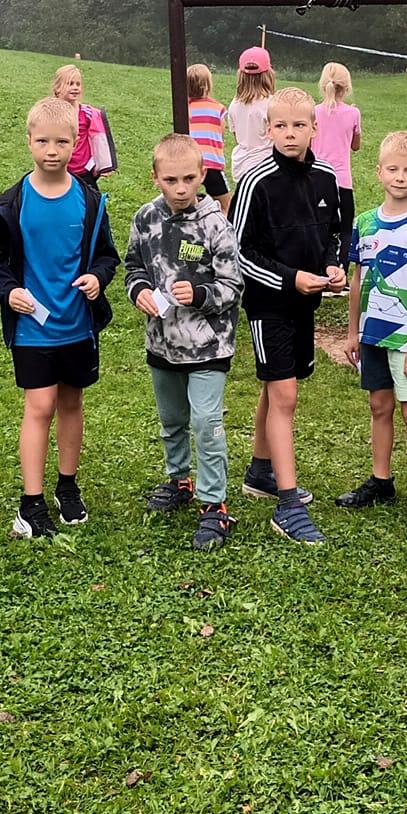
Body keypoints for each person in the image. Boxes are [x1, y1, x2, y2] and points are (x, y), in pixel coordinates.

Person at [0, 95, 119, 540]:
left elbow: (107, 256)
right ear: (29, 141)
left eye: (61, 142)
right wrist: (9, 291)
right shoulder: (13, 202)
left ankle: (67, 486)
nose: (52, 151)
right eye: (42, 141)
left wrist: (98, 277)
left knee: (72, 403)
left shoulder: (89, 201)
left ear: (76, 143)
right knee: (39, 407)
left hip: (78, 326)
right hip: (32, 329)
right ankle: (31, 502)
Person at [229, 86, 344, 543]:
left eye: (299, 125)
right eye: (281, 125)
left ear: (314, 127)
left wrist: (333, 265)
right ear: (268, 129)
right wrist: (289, 279)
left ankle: (261, 471)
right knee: (285, 396)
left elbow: (336, 233)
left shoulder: (327, 177)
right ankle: (288, 505)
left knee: (276, 384)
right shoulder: (255, 182)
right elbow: (238, 252)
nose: (290, 133)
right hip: (268, 303)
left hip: (306, 301)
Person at [127, 133, 244, 551]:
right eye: (170, 180)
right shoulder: (145, 218)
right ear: (155, 177)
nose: (180, 189)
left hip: (209, 346)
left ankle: (214, 503)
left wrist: (199, 294)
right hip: (162, 342)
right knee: (172, 419)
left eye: (189, 179)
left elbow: (233, 285)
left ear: (203, 175)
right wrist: (139, 290)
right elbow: (133, 266)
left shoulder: (216, 225)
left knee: (206, 424)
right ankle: (179, 479)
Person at [336, 130, 407, 531]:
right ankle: (381, 481)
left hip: (405, 339)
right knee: (379, 407)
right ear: (379, 171)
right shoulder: (364, 223)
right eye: (393, 169)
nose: (400, 177)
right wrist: (352, 333)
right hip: (371, 336)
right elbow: (358, 281)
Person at [313, 62, 361, 265]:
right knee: (344, 229)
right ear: (347, 87)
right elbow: (355, 146)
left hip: (315, 179)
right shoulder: (353, 113)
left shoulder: (313, 112)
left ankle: (317, 267)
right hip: (342, 181)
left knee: (317, 226)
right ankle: (340, 270)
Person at [54, 64, 114, 187]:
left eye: (78, 84)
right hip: (59, 168)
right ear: (58, 88)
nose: (75, 88)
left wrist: (104, 164)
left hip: (83, 170)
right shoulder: (51, 113)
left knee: (90, 198)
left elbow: (99, 138)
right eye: (70, 84)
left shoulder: (87, 113)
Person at [228, 46, 276, 183]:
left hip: (242, 168)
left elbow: (237, 138)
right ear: (268, 74)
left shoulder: (234, 105)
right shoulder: (273, 104)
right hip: (267, 167)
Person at [185, 63, 230, 206]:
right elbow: (221, 132)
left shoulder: (184, 109)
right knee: (225, 204)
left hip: (189, 163)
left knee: (186, 202)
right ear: (207, 85)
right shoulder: (218, 108)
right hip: (212, 164)